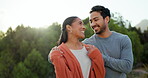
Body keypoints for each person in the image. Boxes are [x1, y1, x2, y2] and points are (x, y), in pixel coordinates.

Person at [82, 5, 134, 78]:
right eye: (91, 21)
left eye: (96, 20)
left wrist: (99, 56)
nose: (93, 24)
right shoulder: (87, 44)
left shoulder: (123, 39)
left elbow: (127, 67)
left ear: (106, 19)